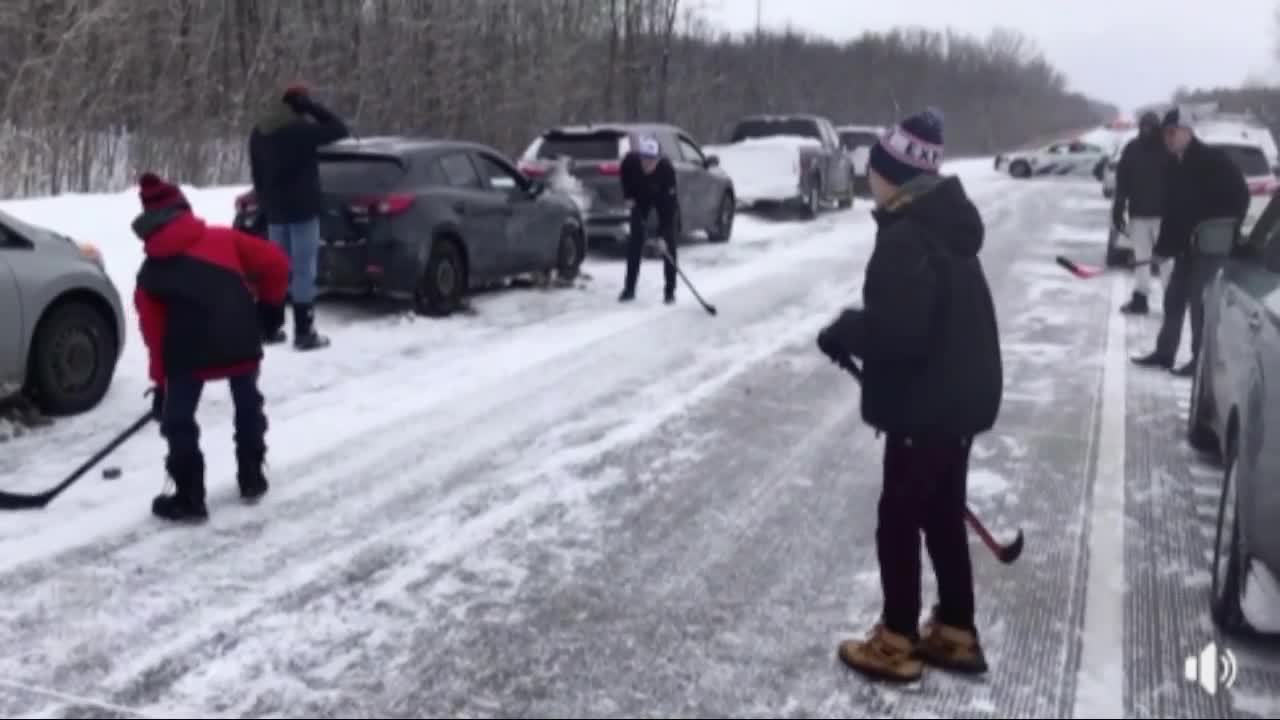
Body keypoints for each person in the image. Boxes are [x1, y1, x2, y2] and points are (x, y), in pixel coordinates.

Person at [814, 109, 1003, 683]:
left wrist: (847, 329)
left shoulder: (905, 237)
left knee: (898, 517)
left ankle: (896, 638)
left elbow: (899, 334)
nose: (870, 177)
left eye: (875, 168)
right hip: (959, 398)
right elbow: (920, 318)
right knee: (942, 514)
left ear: (890, 173)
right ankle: (954, 631)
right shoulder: (945, 225)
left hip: (929, 404)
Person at [133, 173, 291, 523]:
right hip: (240, 340)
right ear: (184, 211)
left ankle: (190, 497)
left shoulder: (150, 275)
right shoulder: (225, 239)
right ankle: (252, 477)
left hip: (188, 356)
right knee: (247, 401)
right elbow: (277, 263)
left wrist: (163, 386)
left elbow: (155, 336)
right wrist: (269, 311)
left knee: (179, 419)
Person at [1131, 107, 1249, 376]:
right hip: (1185, 248)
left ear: (1187, 132)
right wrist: (1161, 249)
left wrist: (1223, 226)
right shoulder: (1173, 165)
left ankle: (1200, 362)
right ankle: (1164, 353)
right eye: (1165, 134)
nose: (1168, 138)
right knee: (1173, 299)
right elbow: (1173, 213)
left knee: (1200, 304)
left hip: (1209, 248)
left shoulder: (1213, 160)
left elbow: (1240, 197)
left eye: (1173, 133)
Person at [248, 83, 350, 350]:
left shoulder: (260, 131)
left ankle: (269, 327)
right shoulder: (301, 130)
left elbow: (257, 174)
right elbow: (339, 129)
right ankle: (304, 331)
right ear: (300, 105)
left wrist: (265, 203)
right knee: (303, 269)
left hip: (275, 212)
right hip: (303, 209)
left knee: (276, 269)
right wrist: (313, 108)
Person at [1112, 111, 1172, 314]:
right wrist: (1118, 207)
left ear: (1157, 128)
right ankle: (1140, 299)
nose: (1147, 130)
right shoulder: (1132, 149)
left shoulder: (1168, 149)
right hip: (1138, 215)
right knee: (1141, 260)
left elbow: (1180, 183)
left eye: (1151, 127)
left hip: (1165, 216)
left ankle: (1172, 302)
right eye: (1144, 126)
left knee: (1167, 262)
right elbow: (1122, 181)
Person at [618, 135, 679, 304]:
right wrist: (628, 196)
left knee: (668, 243)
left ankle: (670, 291)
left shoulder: (667, 171)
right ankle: (629, 289)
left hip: (662, 198)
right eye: (644, 159)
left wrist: (662, 236)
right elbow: (623, 174)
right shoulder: (630, 162)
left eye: (651, 160)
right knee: (635, 241)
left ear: (658, 159)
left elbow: (669, 209)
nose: (647, 164)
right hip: (639, 198)